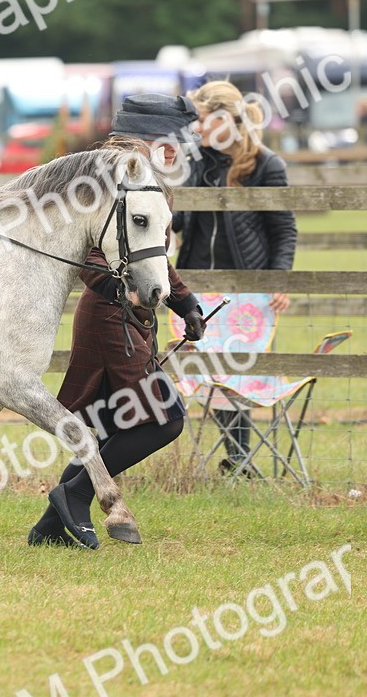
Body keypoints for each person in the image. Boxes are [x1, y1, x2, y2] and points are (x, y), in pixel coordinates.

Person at [29, 94, 208, 549]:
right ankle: (75, 493)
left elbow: (152, 257)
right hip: (110, 318)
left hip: (129, 317)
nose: (182, 151)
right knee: (163, 419)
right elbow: (88, 251)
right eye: (177, 140)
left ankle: (51, 526)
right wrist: (115, 288)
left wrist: (184, 303)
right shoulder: (108, 181)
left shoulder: (150, 180)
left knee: (117, 422)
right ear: (155, 139)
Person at [173, 80, 298, 472]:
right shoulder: (196, 162)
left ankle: (238, 456)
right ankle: (236, 456)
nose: (197, 128)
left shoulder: (266, 165)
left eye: (203, 120)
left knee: (236, 373)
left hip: (246, 291)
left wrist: (279, 279)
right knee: (209, 370)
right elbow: (178, 219)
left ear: (225, 120)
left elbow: (283, 229)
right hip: (198, 283)